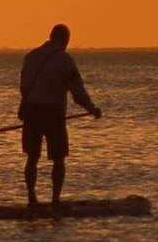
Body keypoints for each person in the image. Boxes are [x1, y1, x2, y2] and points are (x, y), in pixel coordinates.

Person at [18, 23, 102, 211]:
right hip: (53, 113)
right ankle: (55, 200)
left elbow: (23, 87)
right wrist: (91, 108)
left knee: (32, 157)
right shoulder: (64, 60)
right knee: (58, 158)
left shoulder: (30, 57)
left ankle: (32, 198)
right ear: (65, 40)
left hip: (32, 111)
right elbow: (77, 91)